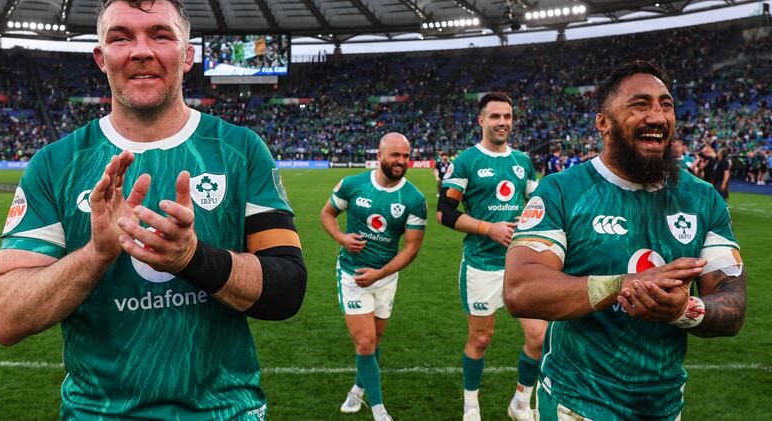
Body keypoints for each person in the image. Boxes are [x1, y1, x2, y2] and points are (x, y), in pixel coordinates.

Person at [0, 0, 307, 420]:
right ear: (101, 57)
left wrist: (191, 258)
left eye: (160, 35)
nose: (141, 51)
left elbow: (287, 288)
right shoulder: (54, 164)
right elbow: (4, 317)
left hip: (225, 413)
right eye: (121, 38)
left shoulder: (240, 149)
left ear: (188, 54)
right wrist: (96, 254)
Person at [505, 60, 746, 420]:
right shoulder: (561, 191)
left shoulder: (704, 199)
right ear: (603, 123)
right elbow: (521, 289)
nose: (658, 116)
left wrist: (685, 310)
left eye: (666, 105)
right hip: (578, 404)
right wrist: (624, 285)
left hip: (665, 406)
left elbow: (733, 304)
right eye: (640, 104)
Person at [436, 92, 545, 421]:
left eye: (507, 117)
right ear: (481, 120)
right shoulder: (466, 161)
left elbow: (537, 207)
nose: (502, 123)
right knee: (481, 338)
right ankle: (471, 404)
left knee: (539, 337)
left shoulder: (522, 162)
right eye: (495, 116)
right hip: (481, 266)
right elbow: (444, 212)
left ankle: (521, 402)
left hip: (519, 265)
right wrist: (488, 228)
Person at [320, 132, 427, 421]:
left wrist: (380, 273)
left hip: (385, 277)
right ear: (379, 155)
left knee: (375, 341)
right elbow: (327, 214)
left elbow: (412, 249)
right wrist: (342, 238)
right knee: (365, 342)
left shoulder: (415, 199)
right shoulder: (353, 185)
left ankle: (357, 388)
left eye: (406, 156)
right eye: (395, 155)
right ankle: (379, 410)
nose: (401, 161)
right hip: (352, 276)